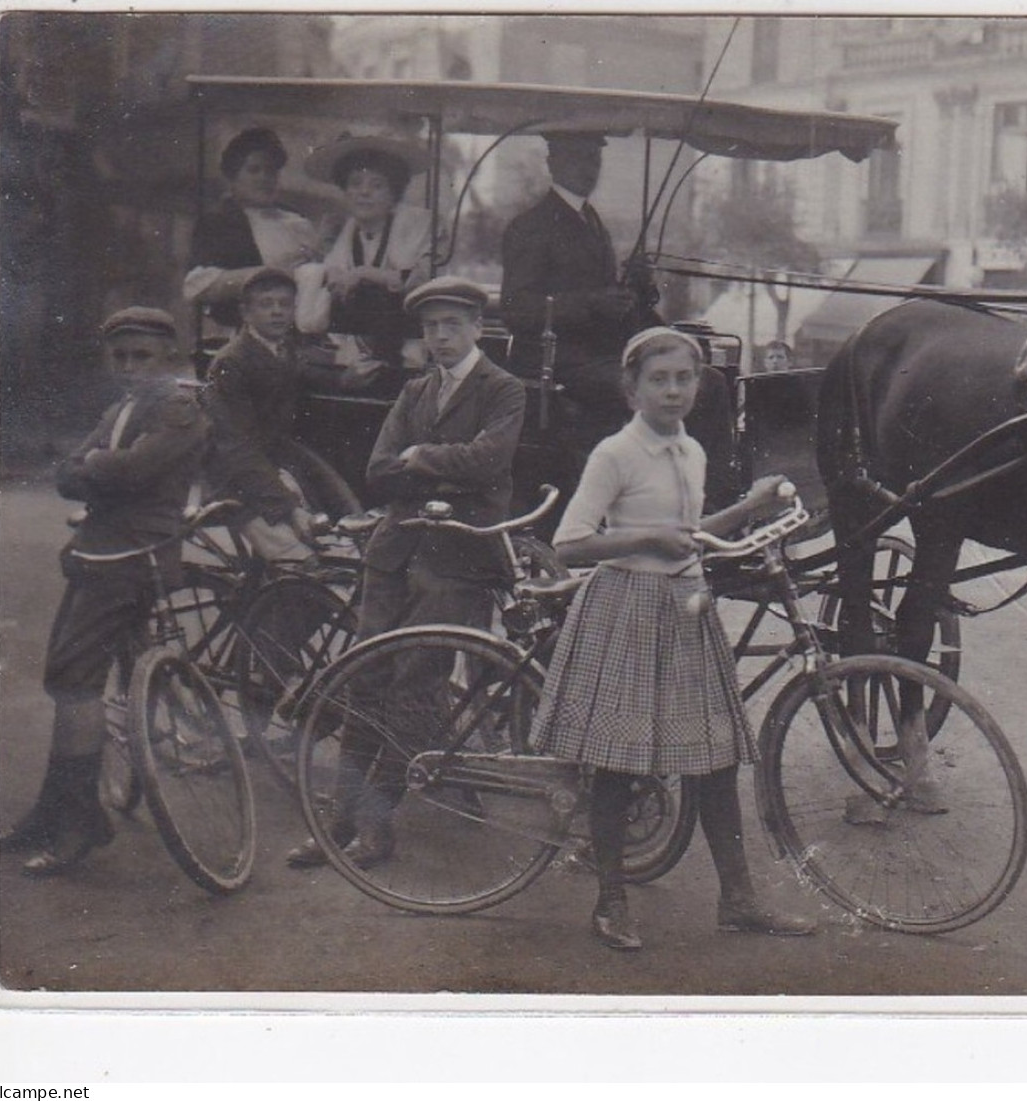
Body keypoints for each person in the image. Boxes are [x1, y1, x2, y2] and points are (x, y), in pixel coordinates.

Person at [526, 327, 817, 950]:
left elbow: (688, 533)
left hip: (686, 610)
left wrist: (747, 509)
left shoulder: (690, 451)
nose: (674, 390)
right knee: (617, 766)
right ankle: (610, 903)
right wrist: (646, 540)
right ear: (631, 389)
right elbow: (570, 543)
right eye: (659, 379)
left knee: (713, 762)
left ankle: (738, 899)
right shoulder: (615, 454)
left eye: (684, 378)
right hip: (627, 606)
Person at [284, 276, 526, 870]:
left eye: (451, 324)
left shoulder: (503, 389)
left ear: (476, 327)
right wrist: (437, 468)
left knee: (415, 687)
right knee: (365, 680)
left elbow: (489, 460)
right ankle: (338, 822)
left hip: (458, 558)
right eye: (430, 327)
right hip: (395, 552)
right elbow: (378, 471)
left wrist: (419, 459)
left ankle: (377, 822)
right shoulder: (416, 391)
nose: (439, 337)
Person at [0, 307, 209, 875]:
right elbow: (66, 473)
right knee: (64, 675)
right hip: (99, 554)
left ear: (167, 356)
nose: (128, 366)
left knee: (75, 681)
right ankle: (57, 809)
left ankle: (77, 822)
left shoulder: (178, 409)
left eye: (141, 356)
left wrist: (96, 466)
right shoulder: (123, 409)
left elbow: (131, 473)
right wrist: (98, 464)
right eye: (119, 356)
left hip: (136, 559)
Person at [499, 132, 736, 507]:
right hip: (559, 361)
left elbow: (605, 300)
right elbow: (516, 308)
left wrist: (635, 289)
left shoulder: (590, 220)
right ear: (553, 162)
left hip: (602, 353)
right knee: (658, 388)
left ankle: (712, 495)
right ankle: (652, 494)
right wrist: (592, 303)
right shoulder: (532, 225)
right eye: (579, 158)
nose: (589, 168)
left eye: (595, 160)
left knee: (711, 381)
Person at [202, 267, 366, 563]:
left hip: (277, 456)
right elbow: (234, 446)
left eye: (285, 304)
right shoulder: (230, 362)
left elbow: (303, 371)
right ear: (246, 312)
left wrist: (345, 379)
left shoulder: (283, 348)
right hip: (237, 475)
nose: (277, 312)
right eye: (266, 305)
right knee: (298, 562)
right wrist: (287, 505)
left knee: (349, 513)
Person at [298, 133, 435, 392]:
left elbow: (414, 280)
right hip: (352, 353)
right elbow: (329, 276)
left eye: (377, 185)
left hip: (407, 354)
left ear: (393, 192)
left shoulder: (414, 226)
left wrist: (363, 273)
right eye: (355, 183)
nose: (364, 192)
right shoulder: (343, 231)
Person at [183, 127, 323, 341]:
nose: (264, 178)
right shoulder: (218, 222)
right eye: (254, 170)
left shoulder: (296, 221)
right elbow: (197, 285)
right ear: (232, 178)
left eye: (271, 171)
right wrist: (270, 275)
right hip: (242, 333)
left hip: (302, 333)